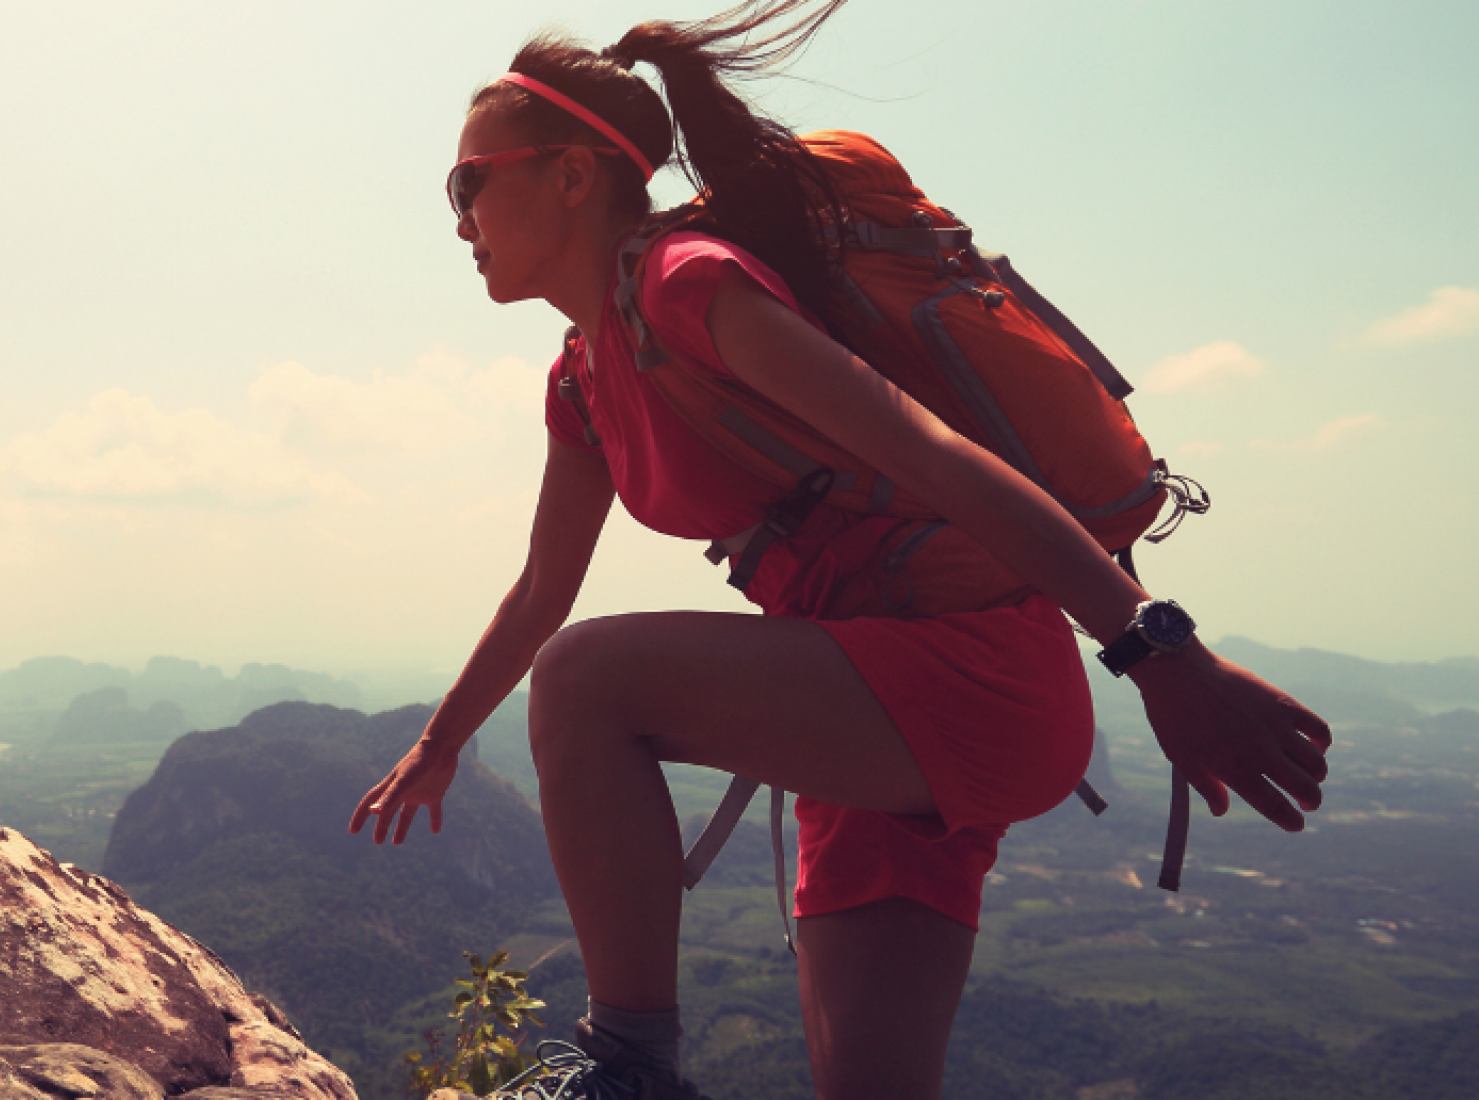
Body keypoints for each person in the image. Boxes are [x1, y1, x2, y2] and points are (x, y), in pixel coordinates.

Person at [345, 2, 1333, 1098]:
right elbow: (542, 581)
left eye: (467, 180)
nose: (457, 216)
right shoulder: (582, 376)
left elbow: (934, 456)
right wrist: (440, 742)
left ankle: (626, 1068)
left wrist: (1156, 650)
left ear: (572, 174)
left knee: (585, 677)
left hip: (969, 677)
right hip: (866, 712)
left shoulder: (685, 286)